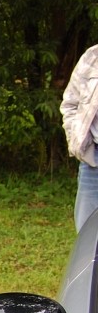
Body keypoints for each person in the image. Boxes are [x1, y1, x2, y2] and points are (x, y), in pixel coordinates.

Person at [61, 43, 98, 231]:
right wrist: (76, 139)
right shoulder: (93, 56)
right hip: (93, 160)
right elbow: (70, 103)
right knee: (87, 232)